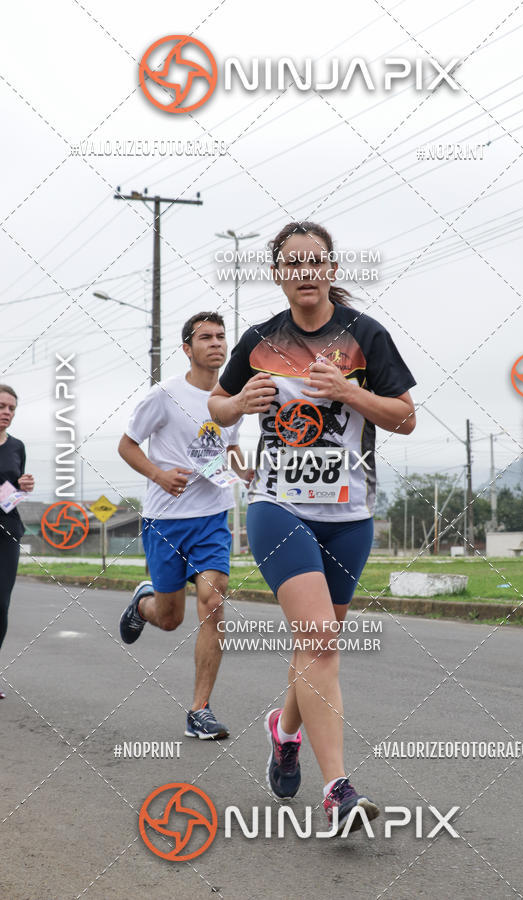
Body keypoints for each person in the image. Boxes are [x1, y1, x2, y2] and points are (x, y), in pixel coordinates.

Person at [208, 221, 416, 834]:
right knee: (321, 640)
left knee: (316, 645)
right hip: (278, 506)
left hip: (351, 514)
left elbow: (404, 417)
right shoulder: (258, 339)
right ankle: (339, 790)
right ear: (278, 273)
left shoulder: (366, 337)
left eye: (314, 261)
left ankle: (284, 729)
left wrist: (349, 394)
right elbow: (217, 406)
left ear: (330, 268)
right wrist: (239, 403)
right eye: (292, 263)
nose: (304, 272)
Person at [118, 313, 251, 739]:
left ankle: (200, 711)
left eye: (220, 336)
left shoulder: (233, 397)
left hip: (212, 516)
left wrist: (247, 472)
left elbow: (227, 450)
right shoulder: (165, 395)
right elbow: (127, 444)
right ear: (187, 349)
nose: (216, 343)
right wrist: (158, 475)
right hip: (165, 520)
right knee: (171, 618)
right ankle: (144, 603)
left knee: (213, 601)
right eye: (205, 337)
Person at [0, 385, 35, 698]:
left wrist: (23, 486)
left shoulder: (17, 446)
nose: (6, 412)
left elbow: (11, 495)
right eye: (1, 406)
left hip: (7, 530)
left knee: (1, 604)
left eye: (11, 407)